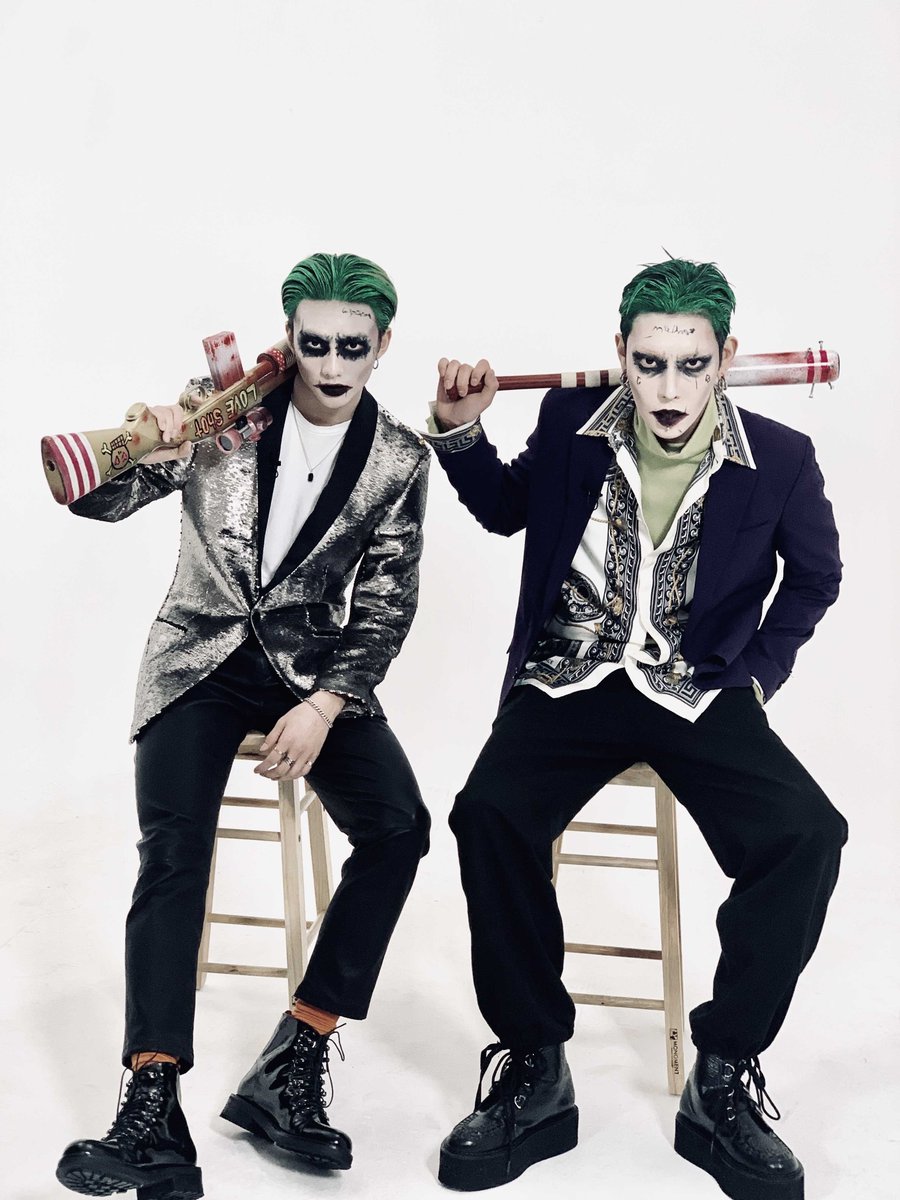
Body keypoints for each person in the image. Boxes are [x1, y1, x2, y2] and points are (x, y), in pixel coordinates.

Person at [425, 258, 846, 1199]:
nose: (668, 388)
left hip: (698, 687)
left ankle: (723, 1072)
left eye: (691, 365)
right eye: (649, 363)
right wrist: (460, 432)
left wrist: (758, 676)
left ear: (725, 358)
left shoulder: (780, 458)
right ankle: (535, 1064)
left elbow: (815, 577)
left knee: (808, 834)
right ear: (620, 352)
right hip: (569, 675)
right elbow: (504, 510)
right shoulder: (569, 426)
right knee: (488, 815)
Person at [55, 252, 431, 1199]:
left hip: (310, 671)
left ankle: (295, 1056)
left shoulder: (398, 459)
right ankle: (152, 1101)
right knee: (174, 850)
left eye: (353, 347)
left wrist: (326, 704)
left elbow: (386, 605)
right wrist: (147, 446)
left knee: (400, 827)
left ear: (382, 346)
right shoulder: (224, 410)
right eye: (316, 343)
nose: (332, 364)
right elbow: (101, 503)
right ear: (289, 338)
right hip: (197, 660)